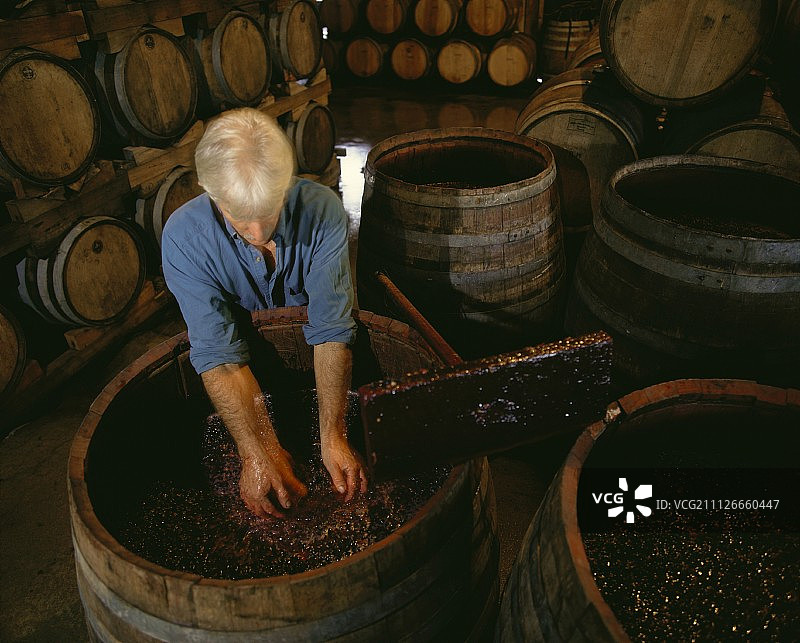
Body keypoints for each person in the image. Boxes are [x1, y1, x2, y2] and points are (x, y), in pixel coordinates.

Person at [161, 108, 367, 519]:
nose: (258, 233)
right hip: (246, 372)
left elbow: (330, 329)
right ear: (210, 192)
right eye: (240, 219)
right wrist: (258, 450)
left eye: (269, 211)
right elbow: (220, 355)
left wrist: (333, 436)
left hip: (313, 362)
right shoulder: (184, 237)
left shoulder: (322, 210)